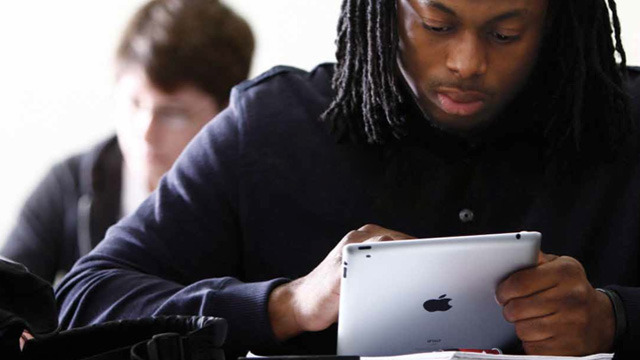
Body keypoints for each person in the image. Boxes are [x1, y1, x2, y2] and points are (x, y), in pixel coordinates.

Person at [56, 0, 640, 358]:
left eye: (506, 34)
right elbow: (82, 301)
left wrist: (614, 316)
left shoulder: (628, 128)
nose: (467, 61)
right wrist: (285, 306)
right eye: (437, 24)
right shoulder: (268, 128)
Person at [1, 0, 254, 284]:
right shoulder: (69, 186)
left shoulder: (259, 201)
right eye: (134, 104)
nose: (145, 132)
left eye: (174, 114)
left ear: (226, 114)